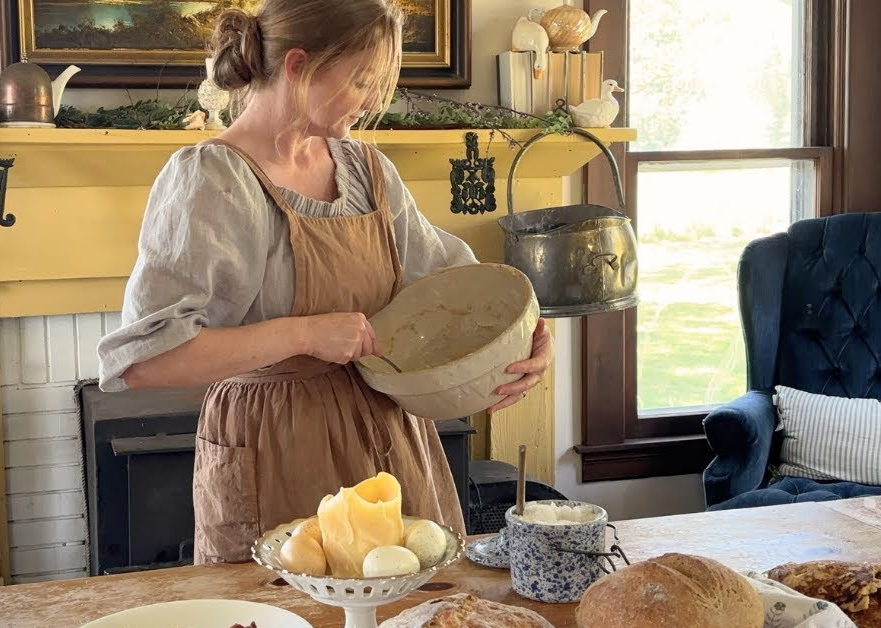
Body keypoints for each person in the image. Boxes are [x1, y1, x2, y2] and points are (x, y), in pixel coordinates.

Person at [96, 0, 552, 565]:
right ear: (297, 66)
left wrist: (531, 331)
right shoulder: (213, 179)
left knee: (407, 622)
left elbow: (456, 282)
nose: (370, 101)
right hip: (276, 448)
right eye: (360, 79)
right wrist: (304, 334)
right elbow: (145, 361)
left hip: (390, 437)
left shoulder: (367, 171)